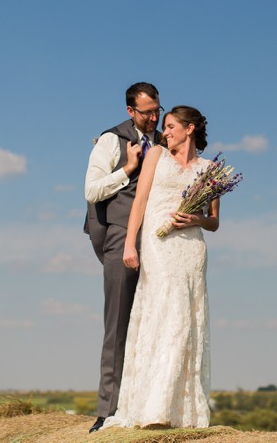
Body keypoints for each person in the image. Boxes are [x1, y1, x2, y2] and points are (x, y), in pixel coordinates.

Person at [103, 105, 218, 429]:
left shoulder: (210, 169)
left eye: (170, 127)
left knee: (187, 319)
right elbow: (139, 202)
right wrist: (130, 244)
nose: (164, 132)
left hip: (191, 248)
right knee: (167, 313)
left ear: (189, 128)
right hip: (157, 242)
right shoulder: (155, 155)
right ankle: (153, 407)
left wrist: (196, 219)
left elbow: (214, 222)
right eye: (164, 127)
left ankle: (177, 410)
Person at [84, 82, 163, 433]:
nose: (154, 118)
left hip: (159, 241)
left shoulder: (165, 141)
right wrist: (128, 169)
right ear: (130, 111)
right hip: (120, 236)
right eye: (147, 113)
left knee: (155, 324)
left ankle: (147, 405)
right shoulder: (109, 141)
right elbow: (91, 191)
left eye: (157, 110)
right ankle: (107, 410)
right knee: (117, 324)